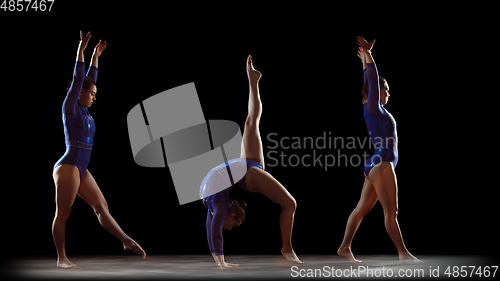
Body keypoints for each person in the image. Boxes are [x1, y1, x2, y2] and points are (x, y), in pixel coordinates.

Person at [52, 31, 146, 269]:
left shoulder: (85, 110)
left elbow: (90, 78)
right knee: (64, 211)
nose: (94, 97)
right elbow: (79, 78)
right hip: (69, 165)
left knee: (101, 206)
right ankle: (61, 258)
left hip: (81, 167)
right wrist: (81, 51)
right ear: (79, 93)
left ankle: (125, 240)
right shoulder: (70, 107)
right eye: (91, 94)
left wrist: (95, 56)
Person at [200, 55, 303, 269]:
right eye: (234, 226)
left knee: (251, 121)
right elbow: (213, 231)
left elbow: (215, 231)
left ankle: (253, 81)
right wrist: (219, 261)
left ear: (231, 214)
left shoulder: (217, 206)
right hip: (242, 170)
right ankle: (286, 247)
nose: (230, 229)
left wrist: (220, 262)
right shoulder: (214, 204)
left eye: (233, 225)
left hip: (245, 170)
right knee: (251, 122)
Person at [337, 37, 423, 264]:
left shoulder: (372, 108)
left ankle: (345, 247)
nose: (388, 94)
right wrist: (370, 57)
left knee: (361, 209)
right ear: (378, 91)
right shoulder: (373, 108)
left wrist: (365, 58)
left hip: (375, 163)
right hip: (382, 162)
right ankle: (404, 254)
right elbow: (372, 82)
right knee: (391, 212)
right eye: (387, 90)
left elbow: (368, 82)